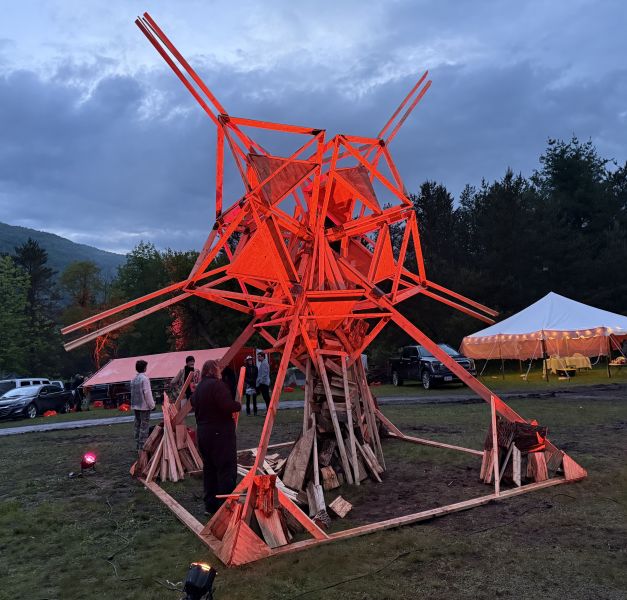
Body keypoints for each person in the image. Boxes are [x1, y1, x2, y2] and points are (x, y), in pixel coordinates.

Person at [191, 359, 241, 515]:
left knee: (210, 470)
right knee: (226, 469)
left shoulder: (199, 388)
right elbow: (226, 406)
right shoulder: (217, 385)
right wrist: (237, 405)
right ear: (214, 370)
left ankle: (211, 506)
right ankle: (226, 507)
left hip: (203, 433)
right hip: (219, 434)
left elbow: (193, 402)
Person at [130, 360, 155, 451]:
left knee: (137, 425)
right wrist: (152, 405)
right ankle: (142, 447)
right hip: (144, 406)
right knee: (144, 426)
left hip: (136, 405)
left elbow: (132, 393)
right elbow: (147, 393)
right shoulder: (144, 379)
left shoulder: (133, 379)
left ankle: (138, 445)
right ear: (144, 368)